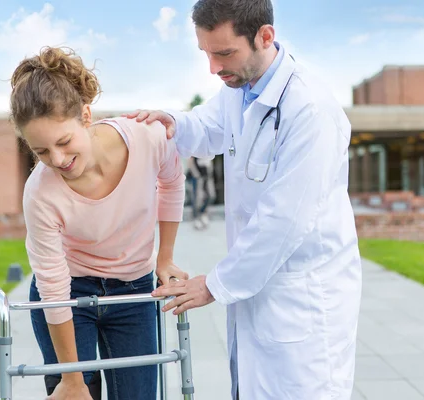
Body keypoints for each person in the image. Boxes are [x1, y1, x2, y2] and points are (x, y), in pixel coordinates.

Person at [126, 0, 363, 399]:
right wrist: (173, 122)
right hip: (259, 295)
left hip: (302, 300)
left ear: (264, 36)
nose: (214, 68)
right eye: (206, 53)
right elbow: (207, 125)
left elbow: (284, 220)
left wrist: (215, 285)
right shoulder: (241, 89)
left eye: (224, 53)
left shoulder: (311, 110)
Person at [10, 46, 188, 400]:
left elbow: (172, 180)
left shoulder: (147, 137)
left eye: (63, 141)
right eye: (41, 151)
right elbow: (54, 288)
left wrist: (164, 257)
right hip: (69, 293)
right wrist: (72, 380)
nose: (57, 159)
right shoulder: (40, 193)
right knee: (75, 392)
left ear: (86, 116)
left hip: (134, 289)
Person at [187, 156, 216, 229]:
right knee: (197, 198)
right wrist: (196, 174)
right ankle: (196, 218)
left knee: (211, 195)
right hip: (198, 174)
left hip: (207, 174)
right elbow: (190, 161)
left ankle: (202, 213)